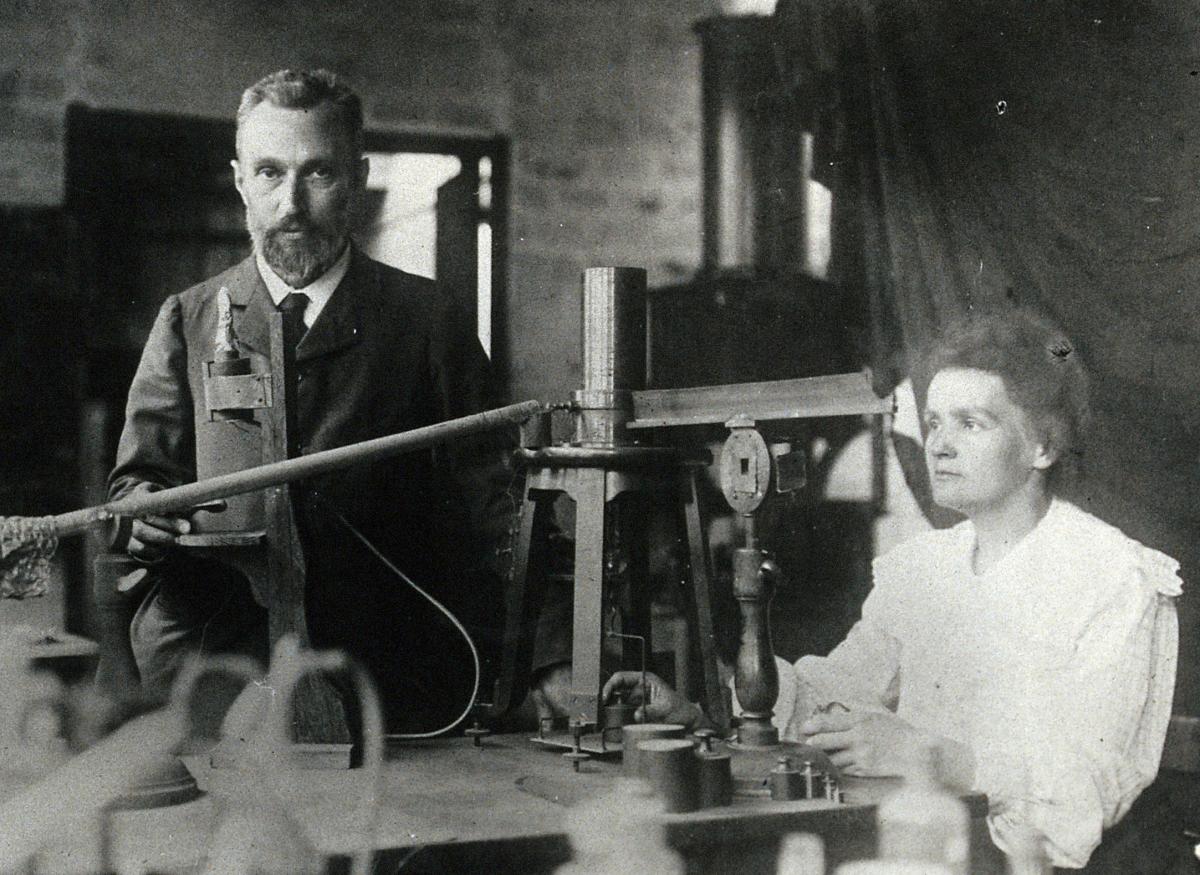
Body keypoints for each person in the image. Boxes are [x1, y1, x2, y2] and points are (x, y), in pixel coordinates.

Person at [604, 309, 1181, 869]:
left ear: (1043, 447)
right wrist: (705, 712)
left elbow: (1088, 790)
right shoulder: (926, 568)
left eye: (971, 423)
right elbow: (833, 695)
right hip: (920, 844)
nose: (939, 445)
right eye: (934, 422)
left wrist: (927, 756)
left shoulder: (1113, 577)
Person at [107, 69, 520, 733]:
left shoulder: (427, 320)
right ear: (242, 180)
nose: (290, 203)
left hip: (394, 688)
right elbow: (137, 485)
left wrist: (550, 657)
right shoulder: (187, 321)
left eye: (318, 173)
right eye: (270, 172)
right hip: (219, 681)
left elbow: (498, 510)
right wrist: (140, 516)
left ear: (354, 177)